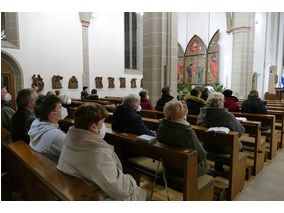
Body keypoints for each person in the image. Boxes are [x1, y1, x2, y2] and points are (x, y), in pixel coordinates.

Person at [57, 103, 147, 201]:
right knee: (140, 193)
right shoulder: (98, 152)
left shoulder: (70, 139)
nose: (103, 126)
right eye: (102, 122)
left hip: (79, 187)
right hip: (94, 196)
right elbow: (121, 190)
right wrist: (130, 179)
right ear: (93, 127)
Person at [157, 100, 211, 177]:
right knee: (204, 162)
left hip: (169, 166)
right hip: (186, 169)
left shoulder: (162, 127)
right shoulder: (187, 131)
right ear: (179, 114)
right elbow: (201, 155)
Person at [196, 92, 244, 174]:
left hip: (207, 145)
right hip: (224, 148)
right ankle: (236, 171)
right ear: (221, 102)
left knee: (220, 141)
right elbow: (240, 132)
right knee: (240, 145)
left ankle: (219, 167)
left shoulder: (202, 114)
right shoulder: (228, 116)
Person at [28, 95, 66, 163]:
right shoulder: (56, 135)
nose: (63, 109)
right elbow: (74, 155)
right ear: (52, 114)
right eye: (60, 107)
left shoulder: (36, 124)